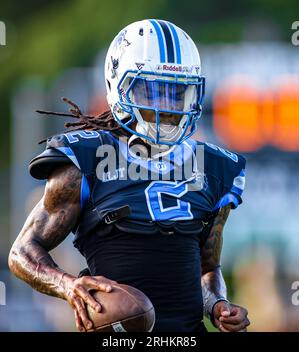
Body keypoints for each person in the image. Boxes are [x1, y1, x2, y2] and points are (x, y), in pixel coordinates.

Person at [8, 19, 250, 332]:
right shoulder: (86, 158)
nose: (167, 105)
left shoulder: (215, 168)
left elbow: (207, 267)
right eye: (152, 91)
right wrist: (68, 286)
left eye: (177, 93)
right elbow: (22, 252)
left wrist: (217, 303)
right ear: (117, 85)